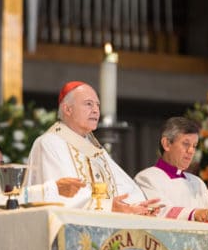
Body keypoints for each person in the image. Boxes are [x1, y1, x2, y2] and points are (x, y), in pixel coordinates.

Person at [26, 81, 159, 215]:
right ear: (67, 109)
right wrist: (108, 206)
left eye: (97, 105)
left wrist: (137, 206)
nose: (96, 110)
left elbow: (124, 187)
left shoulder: (94, 148)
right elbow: (59, 195)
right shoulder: (50, 143)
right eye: (88, 104)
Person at [134, 116, 208, 222]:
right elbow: (159, 211)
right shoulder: (147, 178)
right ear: (166, 144)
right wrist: (194, 214)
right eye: (186, 144)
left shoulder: (197, 182)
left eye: (194, 146)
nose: (191, 151)